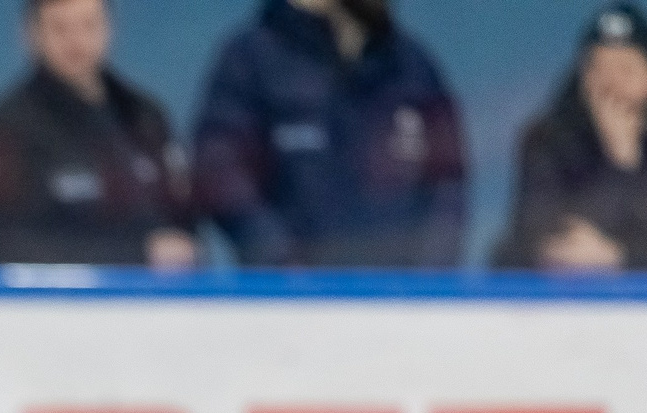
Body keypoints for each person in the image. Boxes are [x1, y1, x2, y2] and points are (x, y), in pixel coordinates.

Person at [192, 0, 467, 268]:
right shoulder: (252, 60)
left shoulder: (411, 66)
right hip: (292, 303)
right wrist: (280, 263)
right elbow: (221, 169)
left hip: (400, 300)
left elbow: (446, 182)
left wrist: (427, 281)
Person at [0, 0, 198, 269]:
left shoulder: (144, 116)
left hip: (159, 302)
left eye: (88, 25)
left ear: (109, 28)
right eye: (61, 28)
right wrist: (135, 253)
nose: (76, 41)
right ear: (31, 34)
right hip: (59, 306)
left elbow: (184, 220)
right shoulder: (5, 131)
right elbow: (10, 248)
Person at [492, 4, 647, 273]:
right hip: (559, 309)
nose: (611, 85)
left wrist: (620, 256)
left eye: (626, 70)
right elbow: (541, 238)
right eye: (599, 69)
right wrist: (614, 165)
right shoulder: (549, 142)